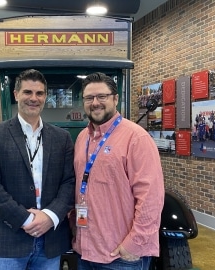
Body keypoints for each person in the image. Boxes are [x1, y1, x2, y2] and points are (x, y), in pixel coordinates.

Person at [0, 69, 75, 270]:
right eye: (27, 92)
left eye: (39, 93)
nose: (34, 98)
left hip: (50, 240)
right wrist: (26, 219)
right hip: (8, 239)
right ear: (16, 94)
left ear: (45, 97)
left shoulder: (61, 137)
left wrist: (50, 216)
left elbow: (69, 182)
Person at [72, 72, 164, 270]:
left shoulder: (136, 138)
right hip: (85, 251)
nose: (95, 102)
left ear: (115, 99)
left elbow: (151, 198)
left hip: (120, 256)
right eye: (89, 98)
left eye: (101, 96)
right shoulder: (82, 138)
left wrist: (134, 244)